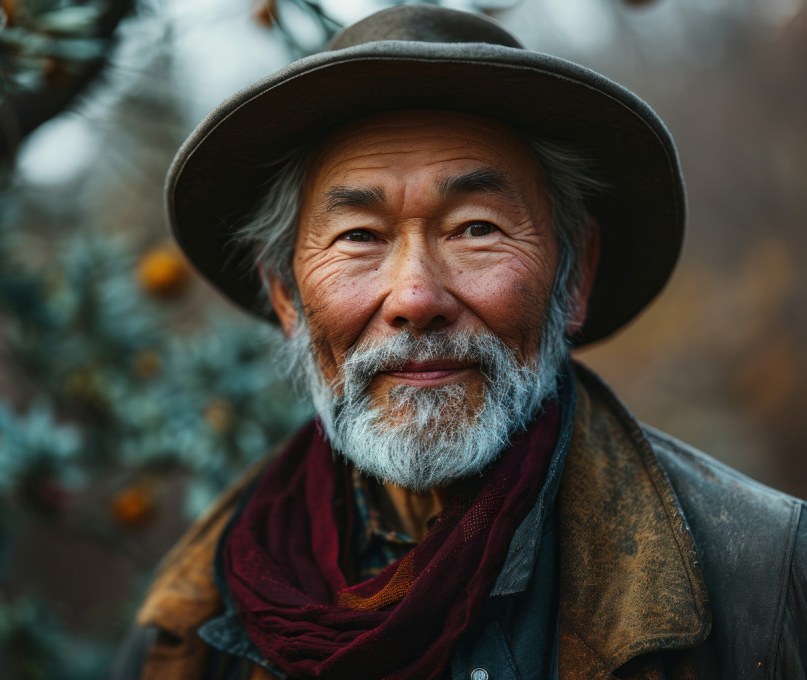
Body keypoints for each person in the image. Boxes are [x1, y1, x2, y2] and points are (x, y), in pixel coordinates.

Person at [111, 5, 806, 679]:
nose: (417, 298)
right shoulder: (194, 606)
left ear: (575, 272)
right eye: (359, 236)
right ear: (287, 296)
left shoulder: (764, 576)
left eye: (476, 228)